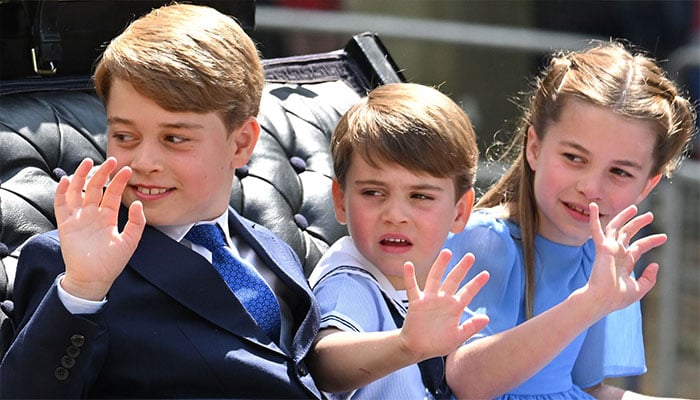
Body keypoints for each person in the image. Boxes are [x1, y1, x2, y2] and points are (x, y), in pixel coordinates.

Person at [0, 4, 322, 398]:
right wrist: (82, 290)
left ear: (241, 143)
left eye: (174, 138)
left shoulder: (273, 248)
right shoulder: (69, 263)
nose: (144, 163)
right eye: (124, 137)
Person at [443, 40, 697, 399]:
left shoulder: (603, 256)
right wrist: (589, 303)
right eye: (574, 158)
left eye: (620, 172)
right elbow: (467, 382)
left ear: (647, 185)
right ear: (534, 147)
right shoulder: (483, 239)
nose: (590, 187)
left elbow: (586, 389)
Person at [306, 82, 491, 399]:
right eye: (373, 193)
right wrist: (405, 345)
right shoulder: (351, 279)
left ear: (460, 211)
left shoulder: (443, 277)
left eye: (420, 196)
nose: (394, 214)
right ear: (340, 200)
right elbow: (325, 362)